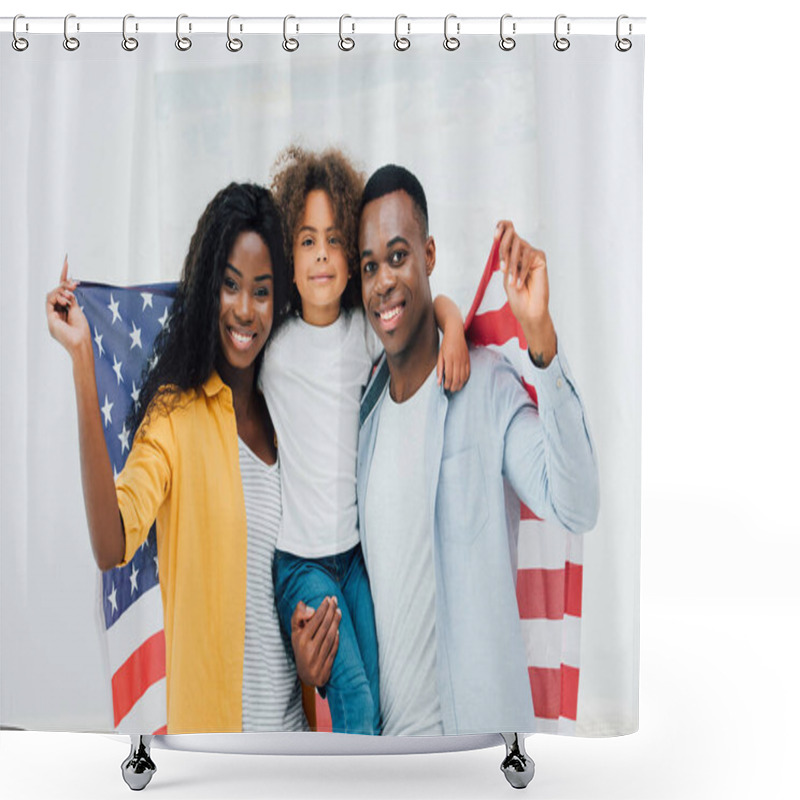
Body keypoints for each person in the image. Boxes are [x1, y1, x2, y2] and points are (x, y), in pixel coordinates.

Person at [45, 183, 340, 734]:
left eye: (261, 290)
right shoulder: (174, 415)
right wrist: (82, 359)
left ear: (280, 300)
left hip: (295, 746)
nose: (244, 310)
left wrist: (310, 662)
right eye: (230, 285)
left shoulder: (289, 418)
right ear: (208, 288)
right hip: (215, 757)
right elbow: (111, 544)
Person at [356, 165, 600, 736]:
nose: (383, 282)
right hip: (383, 755)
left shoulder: (487, 386)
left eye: (397, 257)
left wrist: (540, 338)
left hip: (474, 755)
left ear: (429, 254)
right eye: (370, 267)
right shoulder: (363, 423)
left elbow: (576, 505)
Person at [260, 147, 470, 735]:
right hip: (301, 563)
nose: (322, 253)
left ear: (353, 260)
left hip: (354, 559)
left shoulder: (365, 333)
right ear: (289, 260)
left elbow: (433, 309)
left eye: (333, 239)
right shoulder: (273, 349)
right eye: (306, 241)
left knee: (376, 693)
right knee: (350, 693)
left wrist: (453, 330)